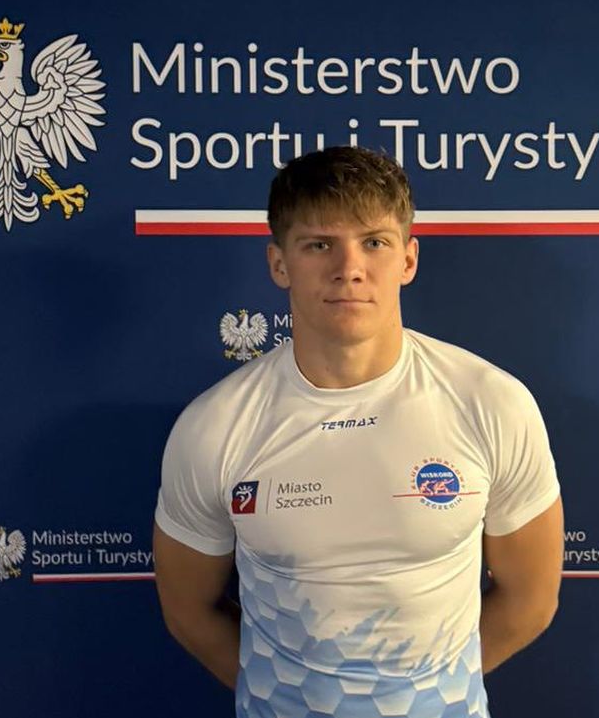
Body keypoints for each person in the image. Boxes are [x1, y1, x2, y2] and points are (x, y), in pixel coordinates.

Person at [154, 146, 563, 718]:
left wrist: (419, 697)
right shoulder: (215, 427)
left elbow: (531, 600)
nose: (349, 268)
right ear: (279, 263)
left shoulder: (491, 403)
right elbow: (189, 612)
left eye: (374, 242)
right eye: (319, 245)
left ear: (408, 260)